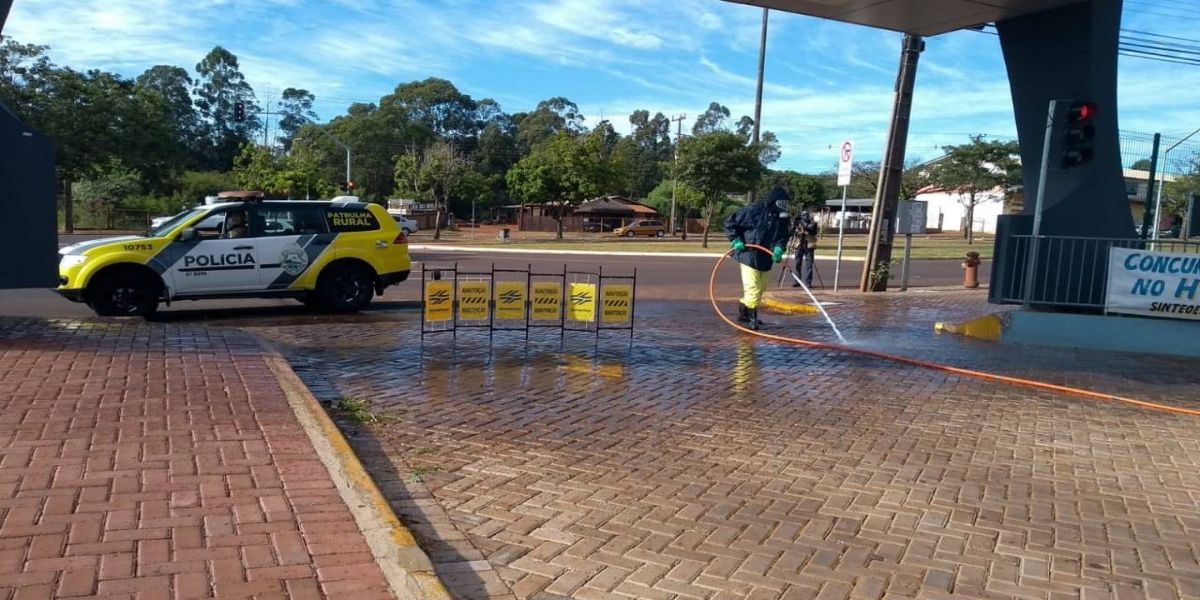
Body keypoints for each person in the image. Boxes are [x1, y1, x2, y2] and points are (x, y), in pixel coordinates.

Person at [724, 185, 792, 330]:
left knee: (761, 288)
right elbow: (730, 223)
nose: (784, 206)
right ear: (774, 200)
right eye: (782, 202)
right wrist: (735, 240)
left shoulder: (782, 218)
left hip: (766, 256)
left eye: (786, 203)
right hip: (749, 254)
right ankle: (753, 319)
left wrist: (779, 248)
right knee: (753, 288)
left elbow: (783, 236)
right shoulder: (755, 210)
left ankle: (744, 314)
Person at [791, 210, 819, 288]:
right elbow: (792, 232)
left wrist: (804, 224)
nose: (804, 217)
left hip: (809, 245)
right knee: (797, 264)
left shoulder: (813, 223)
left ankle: (808, 282)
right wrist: (794, 224)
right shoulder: (798, 223)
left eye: (806, 215)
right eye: (803, 215)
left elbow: (812, 230)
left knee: (809, 264)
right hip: (799, 244)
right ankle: (797, 281)